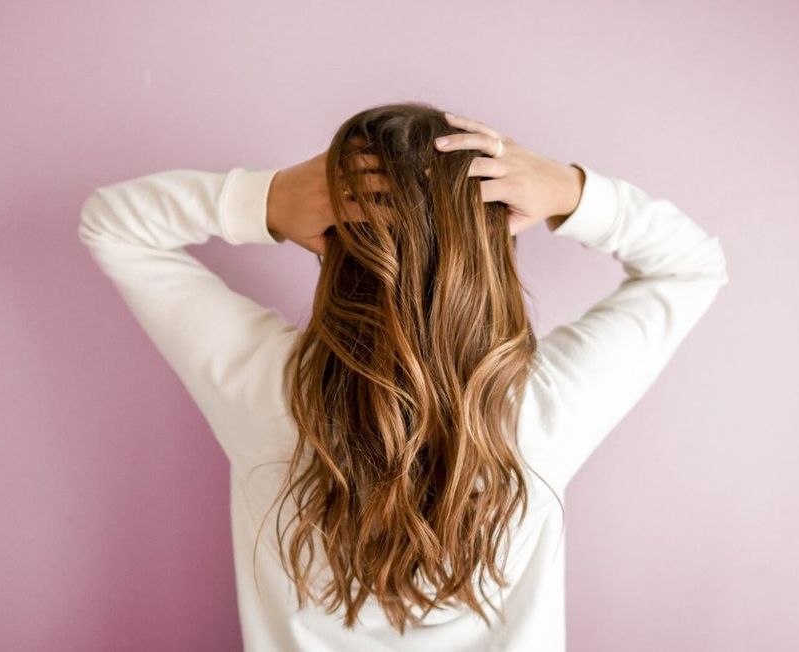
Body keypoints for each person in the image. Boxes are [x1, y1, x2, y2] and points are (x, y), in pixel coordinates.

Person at [77, 102, 729, 651]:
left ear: (332, 239)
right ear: (495, 248)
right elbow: (692, 266)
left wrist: (268, 199)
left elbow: (112, 224)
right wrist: (569, 192)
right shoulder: (541, 407)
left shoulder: (270, 389)